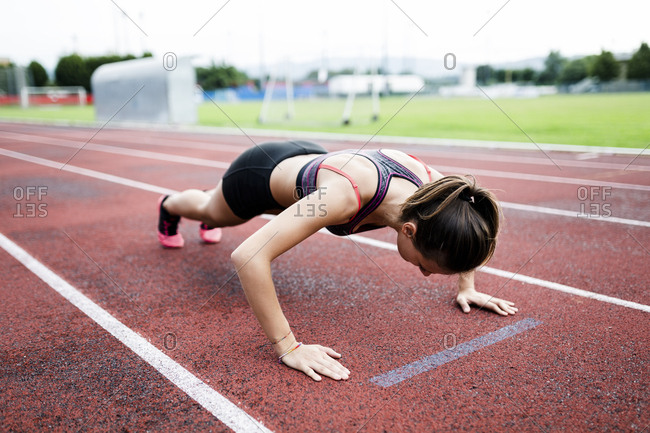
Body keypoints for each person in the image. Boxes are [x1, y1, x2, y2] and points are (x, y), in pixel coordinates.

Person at [157, 140, 517, 381]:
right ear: (408, 231)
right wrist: (289, 348)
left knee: (272, 215)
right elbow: (248, 255)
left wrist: (467, 285)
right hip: (258, 175)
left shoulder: (441, 197)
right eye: (425, 265)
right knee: (214, 211)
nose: (423, 273)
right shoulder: (344, 197)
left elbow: (467, 224)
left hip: (307, 170)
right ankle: (170, 204)